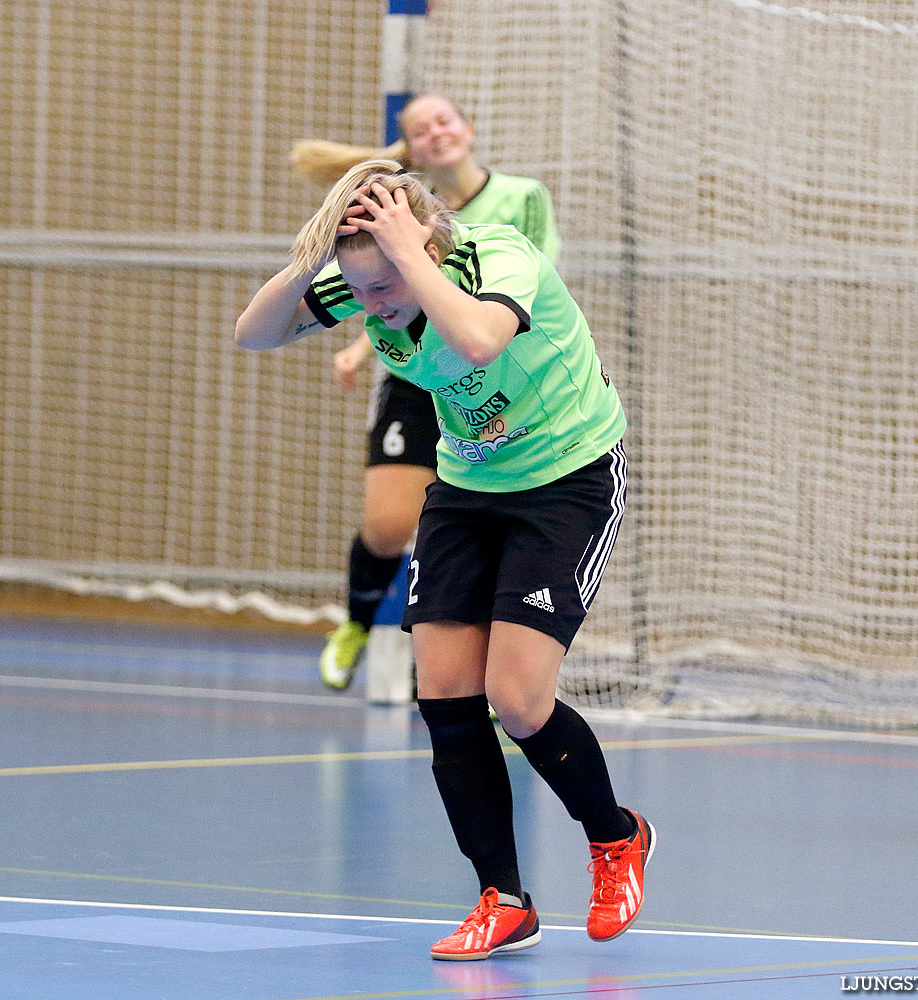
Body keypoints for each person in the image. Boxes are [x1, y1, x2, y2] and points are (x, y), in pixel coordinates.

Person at [235, 161, 653, 958]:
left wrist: (410, 259)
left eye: (385, 285)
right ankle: (503, 898)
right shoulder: (367, 278)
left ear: (422, 238)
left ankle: (616, 836)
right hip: (467, 488)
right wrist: (307, 261)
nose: (375, 306)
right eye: (360, 290)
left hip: (566, 479)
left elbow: (478, 336)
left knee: (520, 699)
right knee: (447, 697)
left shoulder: (499, 256)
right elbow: (252, 333)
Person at [293, 95, 562, 690]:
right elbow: (381, 292)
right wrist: (361, 348)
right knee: (389, 524)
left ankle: (489, 667)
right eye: (421, 129)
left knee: (496, 520)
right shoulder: (397, 215)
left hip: (499, 374)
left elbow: (524, 284)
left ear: (468, 127)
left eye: (444, 120)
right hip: (419, 376)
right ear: (410, 150)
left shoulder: (520, 199)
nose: (436, 133)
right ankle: (358, 621)